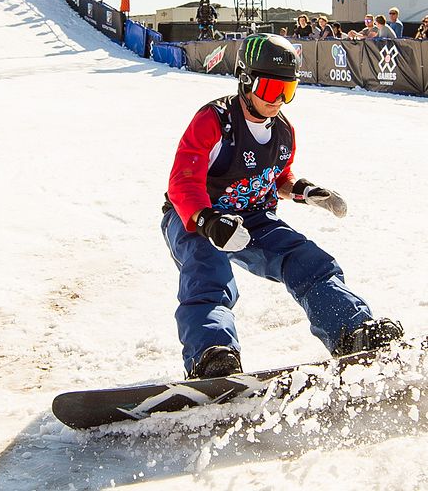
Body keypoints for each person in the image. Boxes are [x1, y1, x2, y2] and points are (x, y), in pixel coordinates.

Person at [161, 33, 403, 379]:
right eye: (271, 89)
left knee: (308, 260)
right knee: (208, 272)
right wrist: (209, 222)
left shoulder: (283, 131)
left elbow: (277, 175)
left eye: (287, 91)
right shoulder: (215, 120)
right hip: (197, 215)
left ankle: (352, 331)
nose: (278, 101)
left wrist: (307, 191)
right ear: (245, 81)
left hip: (254, 216)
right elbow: (182, 181)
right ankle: (212, 355)